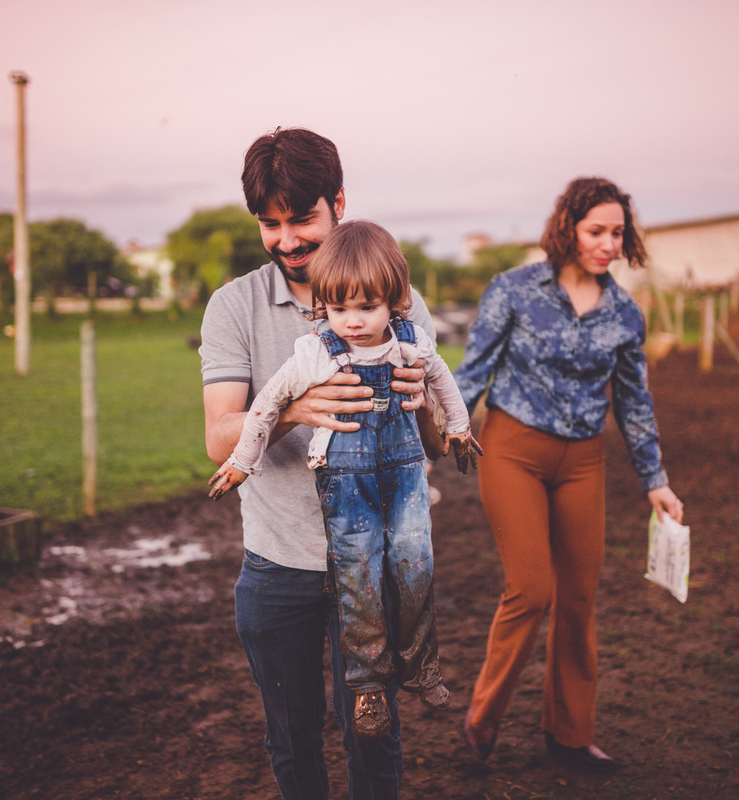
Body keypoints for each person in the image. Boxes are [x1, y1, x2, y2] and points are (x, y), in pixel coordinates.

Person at [200, 128, 444, 800]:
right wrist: (294, 407)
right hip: (279, 565)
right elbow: (220, 437)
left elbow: (436, 436)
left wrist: (423, 402)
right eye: (269, 224)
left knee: (374, 734)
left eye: (301, 218)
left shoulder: (397, 299)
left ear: (338, 201)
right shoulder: (234, 306)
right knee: (292, 739)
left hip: (373, 568)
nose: (286, 240)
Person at [207, 220, 481, 739]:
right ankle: (369, 684)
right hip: (347, 484)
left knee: (415, 566)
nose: (352, 323)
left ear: (393, 302)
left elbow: (441, 376)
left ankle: (422, 664)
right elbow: (265, 403)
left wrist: (459, 428)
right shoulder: (314, 351)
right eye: (338, 310)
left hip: (402, 479)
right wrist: (244, 461)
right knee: (360, 583)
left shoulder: (410, 340)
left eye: (366, 308)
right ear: (323, 309)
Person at [452, 177, 684, 772]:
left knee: (579, 600)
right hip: (512, 450)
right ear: (567, 229)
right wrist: (428, 439)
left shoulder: (625, 315)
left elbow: (634, 402)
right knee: (532, 590)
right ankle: (484, 713)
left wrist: (655, 479)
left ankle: (570, 735)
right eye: (596, 231)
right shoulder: (514, 290)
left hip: (583, 461)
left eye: (617, 233)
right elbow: (470, 375)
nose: (608, 243)